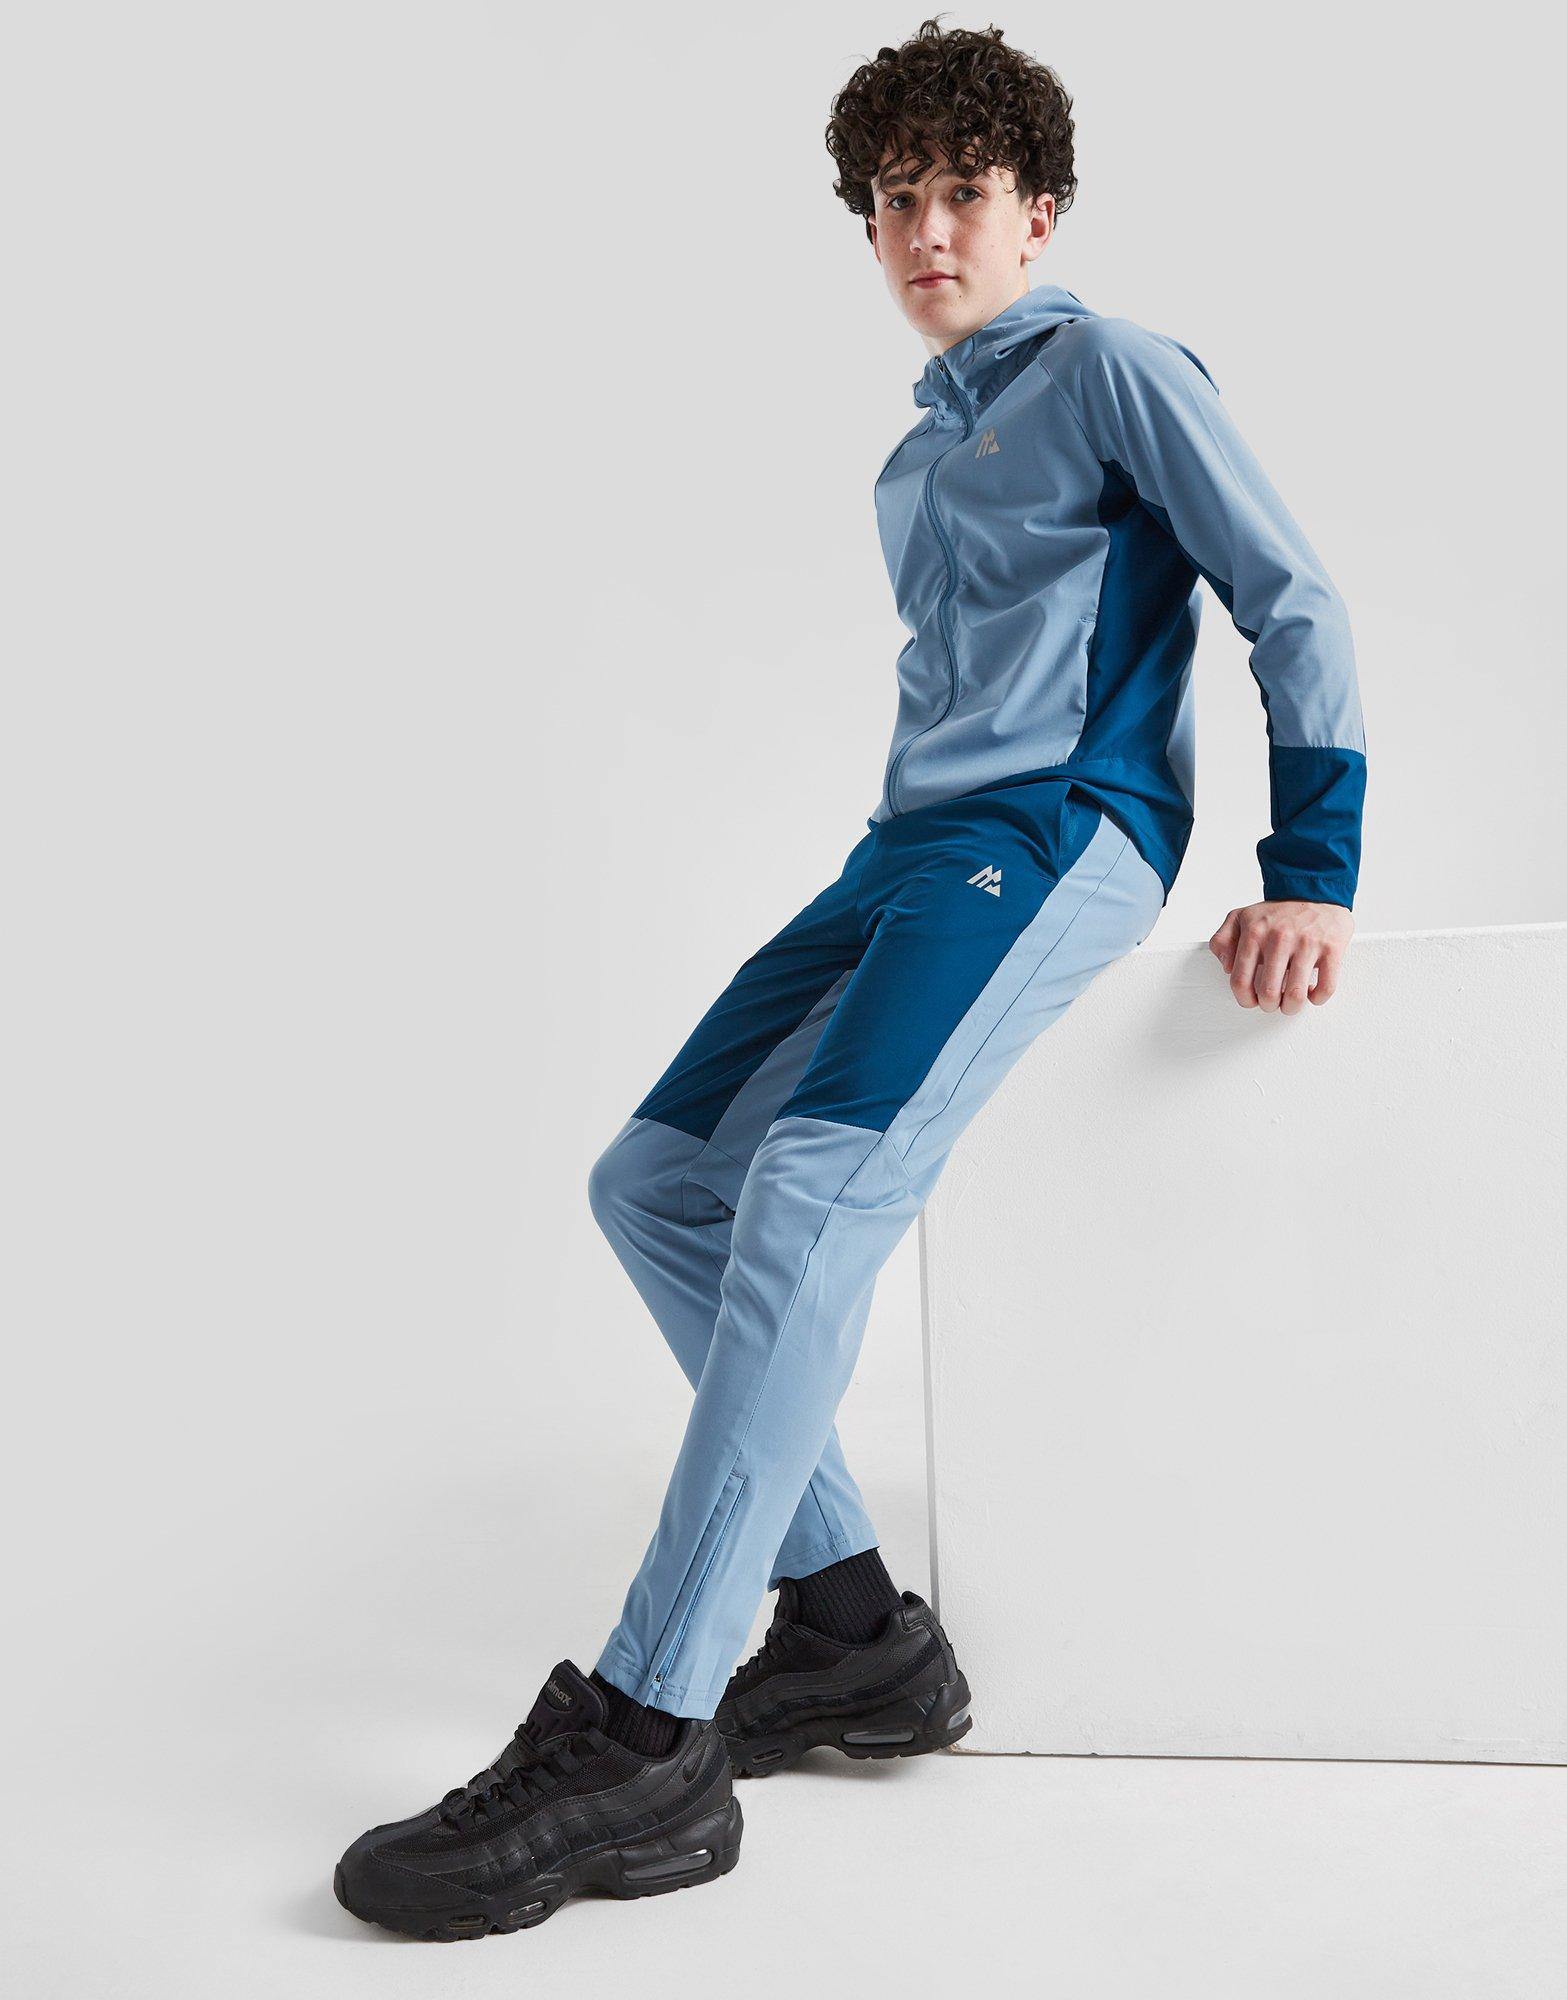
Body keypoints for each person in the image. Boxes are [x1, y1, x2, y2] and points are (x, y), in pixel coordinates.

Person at [334, 18, 1367, 1939]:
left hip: (1057, 831)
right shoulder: (920, 450)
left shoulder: (1118, 369)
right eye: (897, 200)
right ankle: (853, 1633)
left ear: (1040, 211)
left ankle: (647, 1733)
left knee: (810, 1191)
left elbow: (1289, 592)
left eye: (967, 191)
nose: (929, 230)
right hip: (908, 848)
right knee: (657, 1181)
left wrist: (1311, 868)